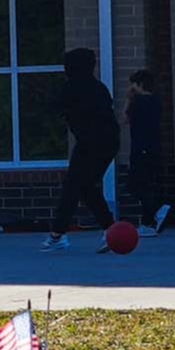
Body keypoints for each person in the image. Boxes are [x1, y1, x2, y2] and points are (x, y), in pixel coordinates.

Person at [44, 47, 122, 249]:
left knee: (73, 185)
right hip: (109, 141)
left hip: (90, 142)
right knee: (86, 185)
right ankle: (110, 229)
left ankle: (57, 234)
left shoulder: (72, 88)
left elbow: (55, 108)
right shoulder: (99, 87)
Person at [119, 65, 171, 231]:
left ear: (139, 84)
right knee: (146, 185)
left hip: (140, 149)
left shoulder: (138, 102)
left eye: (133, 84)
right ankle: (148, 221)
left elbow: (124, 119)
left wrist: (128, 99)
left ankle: (155, 211)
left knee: (134, 185)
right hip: (153, 148)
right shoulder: (155, 101)